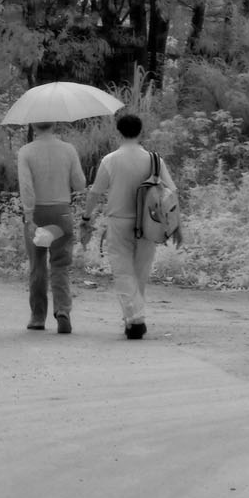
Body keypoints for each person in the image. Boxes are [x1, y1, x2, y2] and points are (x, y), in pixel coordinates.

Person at [79, 112, 181, 340]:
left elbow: (95, 192)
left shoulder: (110, 160)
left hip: (118, 221)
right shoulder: (154, 160)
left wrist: (86, 218)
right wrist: (176, 225)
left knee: (123, 271)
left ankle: (135, 319)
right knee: (141, 272)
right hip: (149, 222)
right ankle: (133, 319)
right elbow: (172, 192)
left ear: (119, 132)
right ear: (140, 131)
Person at [15, 120, 86, 333]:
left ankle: (37, 317)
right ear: (54, 124)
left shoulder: (26, 152)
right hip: (61, 212)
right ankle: (63, 310)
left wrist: (29, 215)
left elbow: (26, 186)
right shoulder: (68, 149)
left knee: (37, 265)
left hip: (37, 212)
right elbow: (80, 184)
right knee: (60, 264)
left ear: (33, 126)